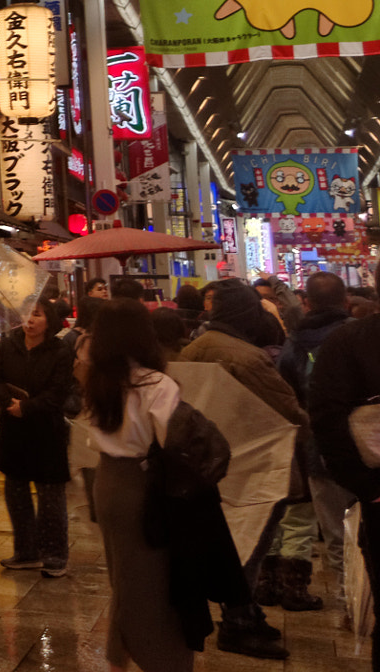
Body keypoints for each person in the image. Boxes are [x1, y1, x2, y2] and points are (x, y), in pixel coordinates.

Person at [178, 278, 303, 657]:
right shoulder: (246, 356)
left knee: (231, 539)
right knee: (250, 542)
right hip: (251, 463)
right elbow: (288, 410)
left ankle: (244, 610)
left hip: (208, 464)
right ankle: (238, 619)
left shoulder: (192, 350)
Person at [79, 300, 202, 671]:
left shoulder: (96, 379)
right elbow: (172, 442)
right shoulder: (156, 383)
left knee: (124, 575)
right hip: (142, 485)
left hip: (106, 482)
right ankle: (157, 656)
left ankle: (120, 653)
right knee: (150, 582)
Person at [266, 272, 354, 613]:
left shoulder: (294, 344)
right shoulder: (358, 335)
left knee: (335, 533)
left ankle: (350, 603)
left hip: (318, 449)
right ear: (346, 302)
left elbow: (287, 395)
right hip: (368, 446)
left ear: (308, 303)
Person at [306, 306, 380, 670]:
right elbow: (327, 419)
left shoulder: (347, 341)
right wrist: (366, 486)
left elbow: (324, 415)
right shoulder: (353, 341)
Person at [0, 301, 76, 577]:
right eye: (26, 314)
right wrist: (7, 403)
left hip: (45, 430)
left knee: (50, 495)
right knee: (16, 492)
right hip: (12, 429)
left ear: (48, 321)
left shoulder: (60, 351)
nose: (29, 320)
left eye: (36, 315)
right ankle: (26, 552)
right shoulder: (8, 344)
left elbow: (58, 392)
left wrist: (26, 407)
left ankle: (54, 555)